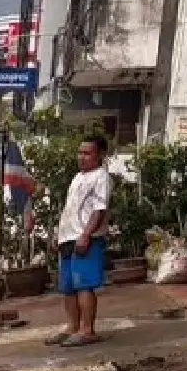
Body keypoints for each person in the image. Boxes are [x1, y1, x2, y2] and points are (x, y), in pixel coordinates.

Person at [51, 134, 112, 347]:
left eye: (87, 153)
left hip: (86, 238)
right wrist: (58, 235)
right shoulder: (77, 177)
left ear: (100, 155)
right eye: (80, 152)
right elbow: (69, 209)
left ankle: (88, 330)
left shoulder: (101, 177)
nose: (82, 157)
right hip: (68, 237)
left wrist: (86, 234)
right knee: (68, 286)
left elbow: (99, 209)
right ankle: (73, 326)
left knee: (84, 284)